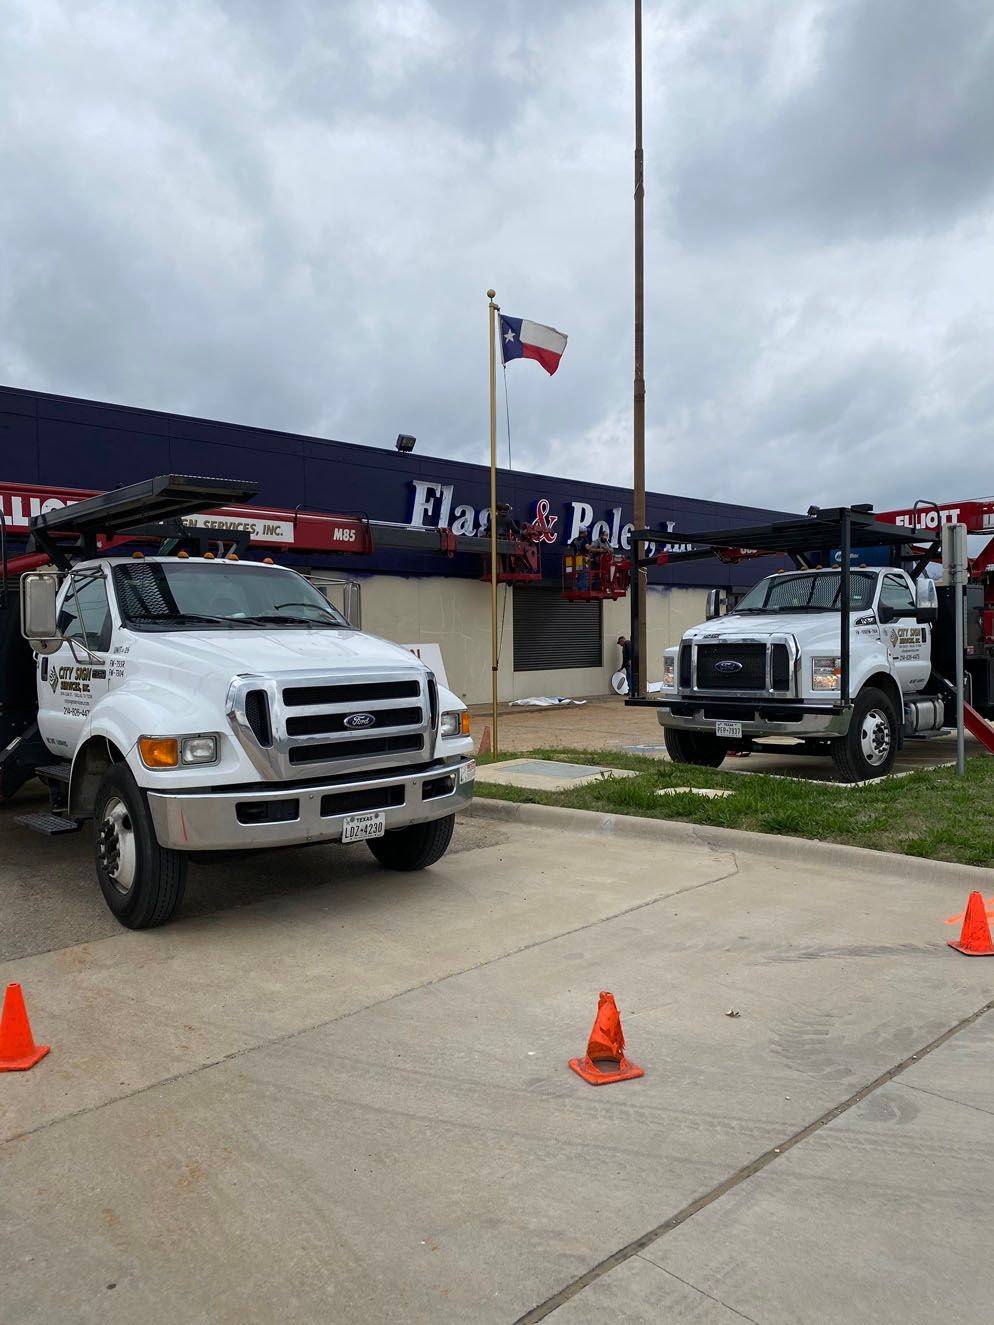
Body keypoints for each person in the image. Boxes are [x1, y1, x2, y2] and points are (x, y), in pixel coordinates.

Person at [571, 526, 591, 591]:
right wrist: (593, 546)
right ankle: (583, 590)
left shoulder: (575, 540)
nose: (587, 532)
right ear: (584, 532)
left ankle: (575, 589)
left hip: (577, 558)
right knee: (585, 574)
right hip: (584, 559)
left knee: (577, 574)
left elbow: (568, 547)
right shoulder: (585, 539)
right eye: (586, 531)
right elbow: (587, 547)